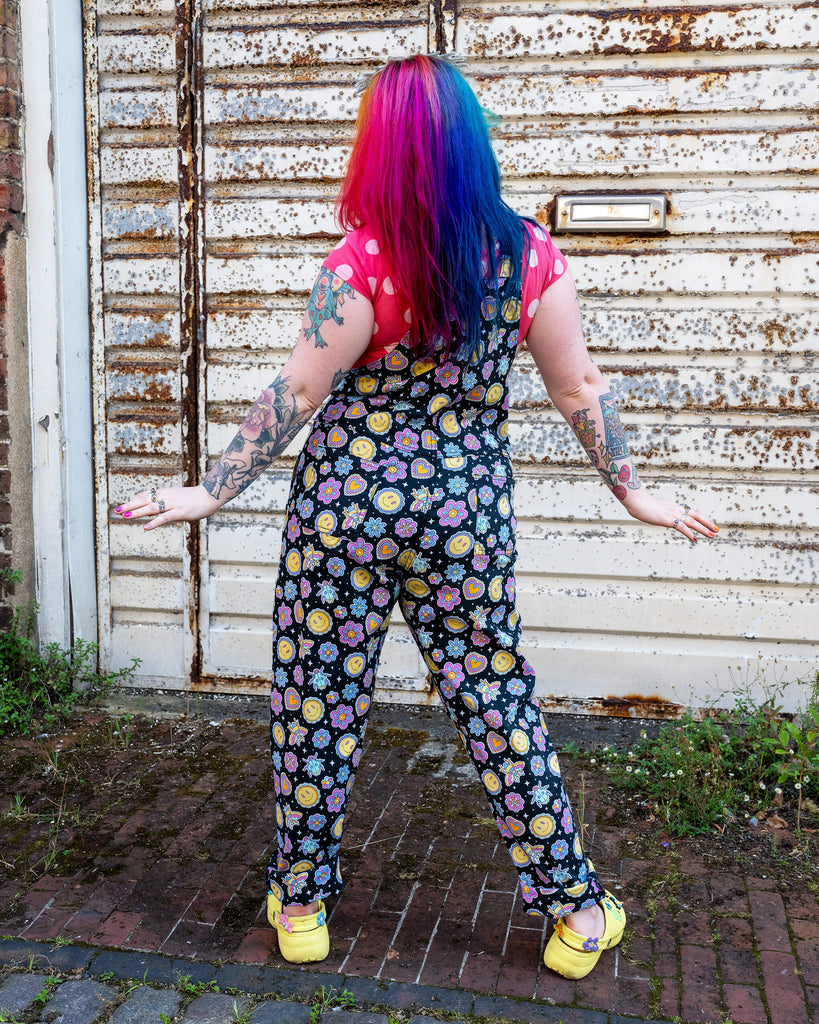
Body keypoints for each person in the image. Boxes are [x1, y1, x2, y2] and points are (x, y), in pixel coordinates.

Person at [117, 53, 717, 979]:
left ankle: (304, 906)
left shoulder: (358, 263)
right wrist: (632, 490)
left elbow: (300, 388)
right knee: (496, 700)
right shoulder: (530, 257)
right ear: (472, 145)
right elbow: (578, 386)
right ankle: (576, 915)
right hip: (462, 516)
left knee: (319, 700)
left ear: (380, 150)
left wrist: (212, 489)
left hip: (345, 510)